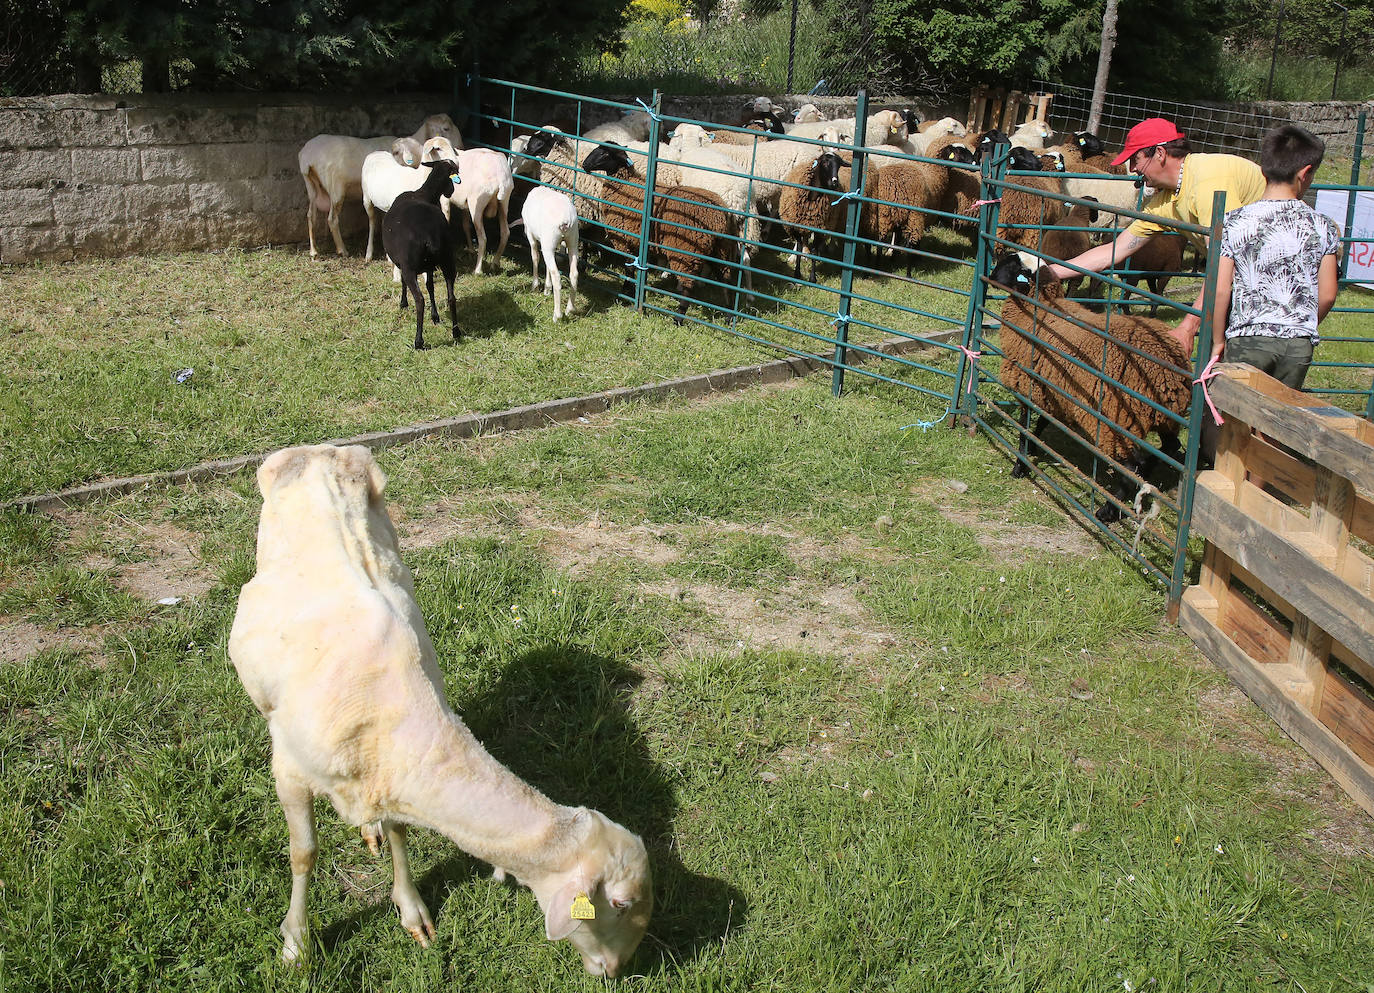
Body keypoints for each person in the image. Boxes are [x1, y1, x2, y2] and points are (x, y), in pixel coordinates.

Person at [1046, 117, 1266, 350]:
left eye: (1136, 159)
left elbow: (1220, 267)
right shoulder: (1166, 200)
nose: (1132, 169)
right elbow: (1114, 251)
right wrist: (1049, 270)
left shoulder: (1208, 184)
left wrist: (1189, 327)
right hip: (1248, 283)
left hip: (1275, 292)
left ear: (1159, 153)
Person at [1210, 124, 1341, 386]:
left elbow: (1221, 290)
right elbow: (1327, 294)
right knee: (1278, 420)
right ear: (1306, 173)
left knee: (1236, 419)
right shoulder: (1323, 225)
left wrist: (1218, 341)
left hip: (1247, 337)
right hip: (1297, 345)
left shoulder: (1234, 221)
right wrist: (1299, 326)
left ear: (1263, 169)